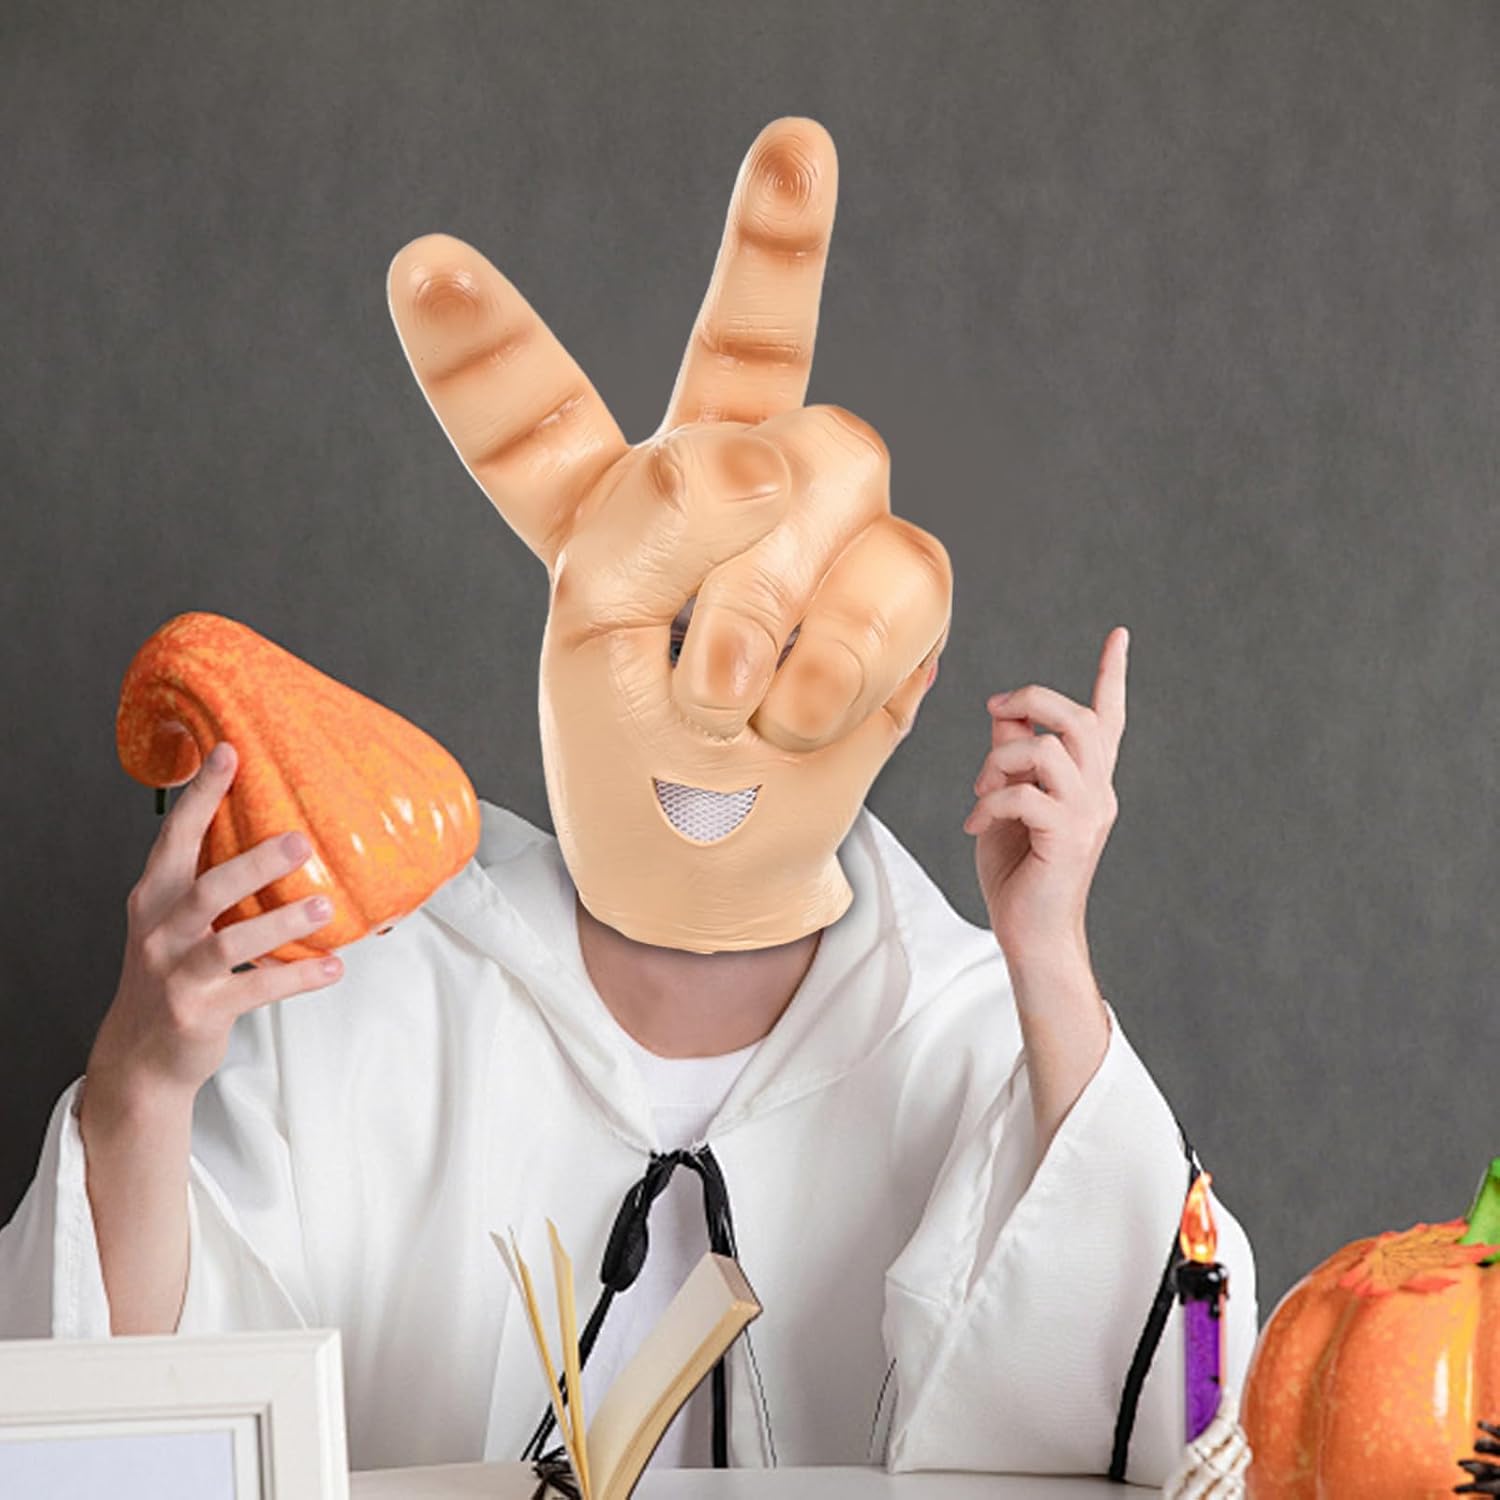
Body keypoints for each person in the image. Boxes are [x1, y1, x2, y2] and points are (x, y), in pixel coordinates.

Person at [0, 116, 1256, 1485]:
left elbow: (1204, 1406)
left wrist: (1054, 966)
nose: (717, 718)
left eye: (782, 658)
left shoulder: (972, 1038)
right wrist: (142, 1083)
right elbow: (108, 1433)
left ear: (901, 687)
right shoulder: (358, 1001)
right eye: (666, 638)